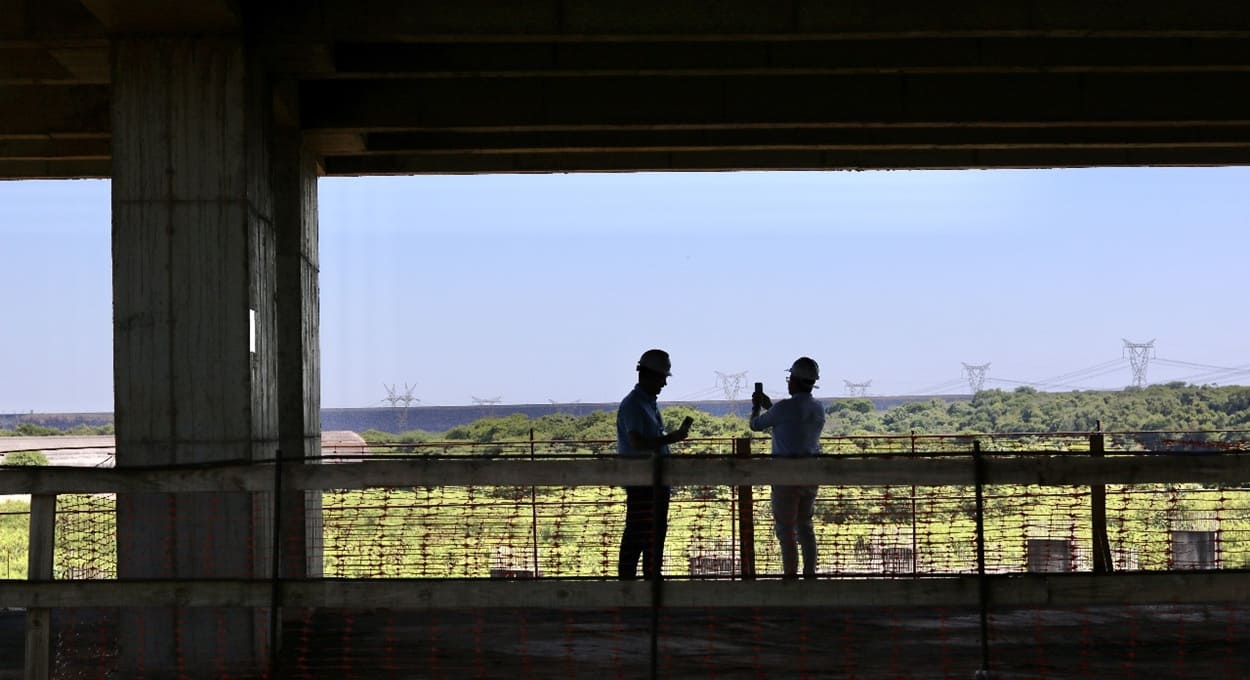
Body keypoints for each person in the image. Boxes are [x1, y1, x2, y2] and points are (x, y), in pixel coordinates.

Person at [617, 348, 691, 580]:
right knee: (639, 532)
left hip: (655, 479)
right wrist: (672, 438)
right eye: (662, 378)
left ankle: (650, 579)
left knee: (654, 531)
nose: (664, 384)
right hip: (642, 480)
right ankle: (628, 583)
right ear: (649, 375)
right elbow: (637, 442)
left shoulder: (647, 403)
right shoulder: (633, 405)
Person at [750, 357, 826, 579]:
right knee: (805, 527)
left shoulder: (783, 408)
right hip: (811, 474)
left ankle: (790, 578)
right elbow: (791, 423)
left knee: (786, 530)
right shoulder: (818, 408)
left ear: (793, 380)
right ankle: (810, 576)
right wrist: (771, 407)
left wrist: (756, 407)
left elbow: (756, 425)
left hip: (785, 475)